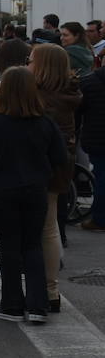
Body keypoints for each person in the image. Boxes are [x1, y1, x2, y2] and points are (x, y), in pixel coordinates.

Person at [0, 66, 68, 323]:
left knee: (9, 247)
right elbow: (60, 158)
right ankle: (37, 306)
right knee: (32, 245)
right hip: (35, 191)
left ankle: (11, 304)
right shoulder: (45, 123)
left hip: (3, 191)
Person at [28, 43, 81, 314]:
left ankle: (40, 290)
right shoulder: (68, 92)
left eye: (31, 61)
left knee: (34, 229)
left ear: (43, 66)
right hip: (61, 164)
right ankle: (51, 290)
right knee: (49, 226)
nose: (28, 65)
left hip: (36, 166)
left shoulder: (39, 96)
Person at [77, 62, 105, 231]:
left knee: (101, 177)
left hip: (96, 139)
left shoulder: (88, 82)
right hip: (96, 138)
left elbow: (78, 112)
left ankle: (100, 219)